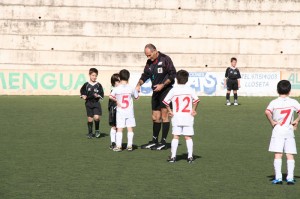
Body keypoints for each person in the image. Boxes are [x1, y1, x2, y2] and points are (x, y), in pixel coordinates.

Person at [136, 44, 177, 150]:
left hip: (166, 91)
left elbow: (173, 74)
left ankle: (163, 141)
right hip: (155, 92)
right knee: (155, 117)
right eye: (146, 56)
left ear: (155, 51)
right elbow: (145, 75)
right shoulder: (149, 62)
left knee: (164, 116)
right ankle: (155, 140)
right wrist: (139, 84)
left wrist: (163, 85)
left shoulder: (165, 59)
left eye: (149, 55)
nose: (148, 57)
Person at [265, 80, 300, 185]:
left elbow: (267, 112)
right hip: (289, 130)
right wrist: (296, 121)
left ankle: (279, 178)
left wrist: (272, 122)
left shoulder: (274, 102)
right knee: (290, 155)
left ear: (277, 90)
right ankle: (290, 178)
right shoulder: (293, 102)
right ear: (289, 91)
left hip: (278, 130)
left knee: (278, 154)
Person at [162, 70, 200, 163]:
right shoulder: (190, 89)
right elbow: (196, 100)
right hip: (188, 116)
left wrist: (170, 111)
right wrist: (194, 109)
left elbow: (165, 102)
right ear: (187, 80)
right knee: (188, 137)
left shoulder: (174, 90)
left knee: (175, 136)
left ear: (176, 79)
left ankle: (173, 157)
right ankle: (190, 157)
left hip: (177, 116)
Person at [109, 69, 139, 152]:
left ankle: (119, 146)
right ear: (128, 78)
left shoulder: (117, 88)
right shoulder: (131, 88)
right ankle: (129, 145)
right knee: (130, 128)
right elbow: (137, 97)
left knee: (120, 128)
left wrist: (117, 101)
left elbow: (110, 96)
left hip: (120, 111)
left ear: (120, 77)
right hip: (129, 111)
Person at [80, 68, 104, 138]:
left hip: (96, 103)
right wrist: (83, 95)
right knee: (90, 119)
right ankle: (90, 133)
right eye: (93, 75)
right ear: (89, 75)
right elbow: (82, 91)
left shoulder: (98, 85)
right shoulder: (86, 84)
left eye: (95, 75)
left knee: (96, 117)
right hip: (88, 103)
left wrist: (98, 95)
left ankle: (97, 130)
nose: (94, 77)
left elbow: (101, 93)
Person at [108, 73, 120, 149]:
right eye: (117, 81)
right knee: (114, 126)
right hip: (114, 110)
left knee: (119, 127)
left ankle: (118, 142)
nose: (119, 83)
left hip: (121, 111)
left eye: (120, 81)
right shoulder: (113, 91)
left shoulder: (122, 90)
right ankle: (113, 142)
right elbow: (110, 103)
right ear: (113, 82)